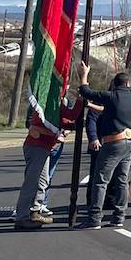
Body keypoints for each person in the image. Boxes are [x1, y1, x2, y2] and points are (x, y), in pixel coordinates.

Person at [77, 65, 131, 228]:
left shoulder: (111, 96)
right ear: (128, 84)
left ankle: (95, 217)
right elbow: (107, 109)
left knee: (100, 180)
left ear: (114, 84)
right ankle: (119, 215)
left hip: (114, 141)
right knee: (122, 180)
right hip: (130, 141)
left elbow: (86, 92)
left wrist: (84, 75)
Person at [13, 97, 80, 229]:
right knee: (32, 182)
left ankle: (35, 211)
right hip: (36, 147)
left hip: (46, 147)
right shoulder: (44, 108)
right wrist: (55, 135)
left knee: (43, 181)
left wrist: (81, 98)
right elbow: (35, 127)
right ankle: (22, 217)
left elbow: (71, 117)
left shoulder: (57, 106)